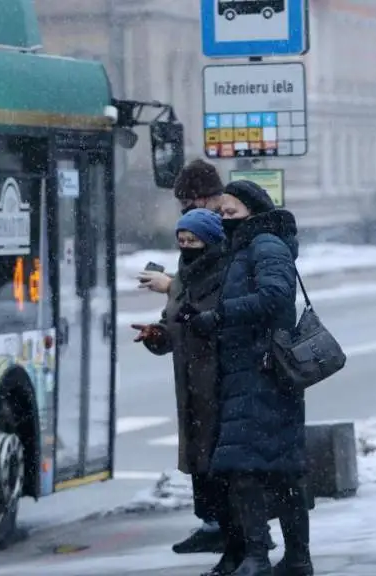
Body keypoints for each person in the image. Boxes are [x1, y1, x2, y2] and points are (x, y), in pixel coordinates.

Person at [184, 180, 311, 576]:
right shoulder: (245, 248)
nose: (224, 219)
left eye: (230, 212)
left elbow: (276, 296)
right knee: (277, 469)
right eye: (221, 213)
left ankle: (260, 557)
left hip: (264, 372)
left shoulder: (266, 245)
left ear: (253, 212)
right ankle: (294, 558)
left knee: (247, 471)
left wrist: (221, 316)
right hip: (249, 371)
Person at [131, 209, 232, 554]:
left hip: (221, 383)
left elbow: (225, 323)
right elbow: (172, 327)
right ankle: (211, 525)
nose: (187, 247)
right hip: (190, 385)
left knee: (221, 459)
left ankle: (232, 532)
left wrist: (197, 319)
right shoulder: (183, 280)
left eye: (194, 241)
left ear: (211, 242)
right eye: (182, 241)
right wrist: (155, 335)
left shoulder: (225, 275)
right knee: (199, 458)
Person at [138, 158, 225, 296]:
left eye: (185, 203)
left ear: (203, 198)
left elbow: (211, 290)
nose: (184, 210)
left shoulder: (228, 232)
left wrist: (170, 286)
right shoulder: (215, 228)